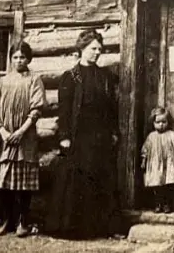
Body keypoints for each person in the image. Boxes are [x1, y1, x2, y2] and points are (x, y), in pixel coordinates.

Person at [46, 28, 119, 238]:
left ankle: (98, 228)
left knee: (99, 179)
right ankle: (76, 229)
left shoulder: (105, 76)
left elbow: (110, 107)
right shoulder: (70, 77)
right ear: (82, 49)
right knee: (77, 182)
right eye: (92, 48)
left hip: (100, 135)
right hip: (79, 136)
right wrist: (64, 137)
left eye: (99, 49)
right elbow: (64, 110)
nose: (96, 52)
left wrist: (113, 131)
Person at [0, 41, 46, 237]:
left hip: (24, 138)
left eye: (23, 57)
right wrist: (2, 131)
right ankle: (7, 220)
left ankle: (23, 221)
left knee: (23, 184)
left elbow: (36, 109)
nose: (19, 60)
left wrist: (21, 132)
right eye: (15, 57)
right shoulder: (1, 82)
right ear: (10, 59)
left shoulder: (34, 80)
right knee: (4, 181)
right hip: (3, 138)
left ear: (29, 59)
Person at [141, 107, 174, 213]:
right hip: (155, 165)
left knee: (168, 185)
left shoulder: (171, 135)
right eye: (158, 122)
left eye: (164, 122)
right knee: (157, 186)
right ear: (153, 123)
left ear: (168, 122)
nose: (161, 124)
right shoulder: (151, 137)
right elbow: (145, 150)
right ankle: (158, 204)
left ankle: (167, 204)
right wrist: (143, 161)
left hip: (168, 164)